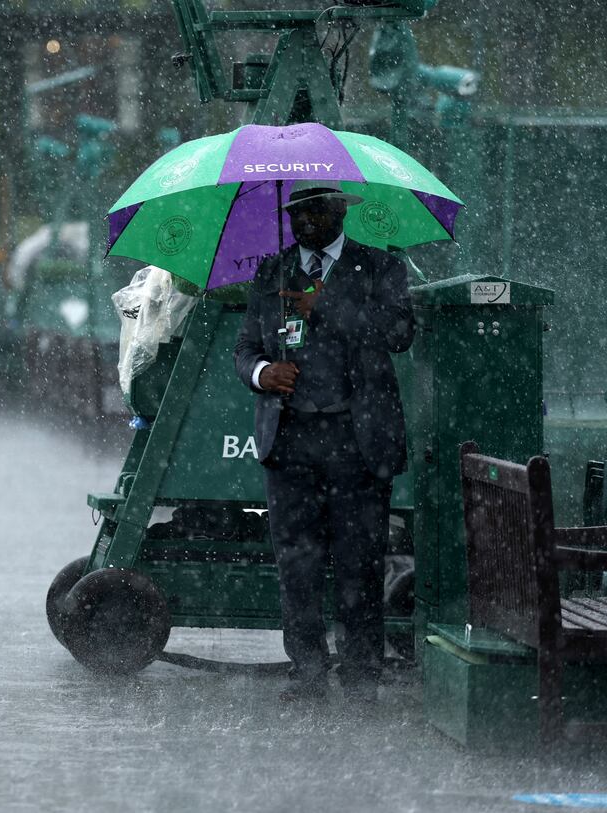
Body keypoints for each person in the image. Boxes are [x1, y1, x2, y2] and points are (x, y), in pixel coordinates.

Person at [232, 180, 414, 704]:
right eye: (296, 213)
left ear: (339, 210)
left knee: (360, 561)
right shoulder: (274, 270)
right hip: (290, 441)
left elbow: (400, 332)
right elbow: (245, 346)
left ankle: (360, 678)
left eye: (314, 211)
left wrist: (326, 306)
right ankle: (306, 672)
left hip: (358, 443)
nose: (304, 221)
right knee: (297, 561)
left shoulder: (381, 268)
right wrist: (263, 373)